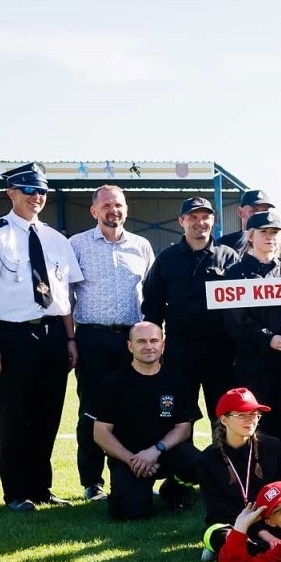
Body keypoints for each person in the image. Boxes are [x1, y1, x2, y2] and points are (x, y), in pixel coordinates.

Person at [0, 162, 82, 510]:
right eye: (29, 190)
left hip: (53, 337)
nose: (37, 197)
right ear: (11, 192)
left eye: (42, 191)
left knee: (48, 415)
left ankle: (41, 489)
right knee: (16, 415)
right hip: (14, 336)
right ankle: (16, 493)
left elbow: (64, 298)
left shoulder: (56, 239)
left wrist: (71, 339)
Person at [66, 186, 156, 501]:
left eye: (118, 205)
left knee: (133, 409)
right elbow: (66, 298)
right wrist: (70, 339)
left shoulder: (142, 246)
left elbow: (151, 296)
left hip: (132, 339)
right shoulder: (76, 245)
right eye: (106, 205)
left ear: (126, 209)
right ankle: (92, 481)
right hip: (92, 338)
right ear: (94, 211)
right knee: (92, 410)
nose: (112, 210)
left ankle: (132, 473)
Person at [140, 197, 240, 432]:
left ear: (213, 220)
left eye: (205, 217)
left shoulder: (229, 257)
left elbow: (241, 309)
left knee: (224, 416)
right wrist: (156, 347)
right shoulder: (167, 258)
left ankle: (223, 465)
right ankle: (182, 466)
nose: (200, 222)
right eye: (193, 217)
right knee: (178, 417)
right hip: (180, 353)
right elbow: (152, 307)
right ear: (181, 221)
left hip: (222, 354)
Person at [86, 321, 201, 520]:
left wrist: (155, 451)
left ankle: (174, 487)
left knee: (199, 465)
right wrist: (133, 460)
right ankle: (132, 491)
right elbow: (101, 433)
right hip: (129, 458)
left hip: (165, 451)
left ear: (163, 345)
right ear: (130, 346)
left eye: (154, 341)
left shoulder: (176, 380)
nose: (149, 346)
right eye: (141, 341)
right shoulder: (113, 382)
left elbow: (183, 428)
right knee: (132, 513)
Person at [223, 209, 281, 439]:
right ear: (251, 236)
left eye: (275, 232)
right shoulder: (235, 274)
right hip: (253, 362)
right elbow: (235, 319)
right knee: (255, 422)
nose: (270, 237)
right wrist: (268, 338)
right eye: (264, 232)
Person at [197, 387, 281, 535]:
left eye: (254, 414)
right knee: (219, 535)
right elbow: (217, 511)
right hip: (232, 523)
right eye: (241, 415)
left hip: (269, 519)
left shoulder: (272, 446)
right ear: (224, 419)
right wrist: (258, 532)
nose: (250, 420)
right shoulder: (207, 459)